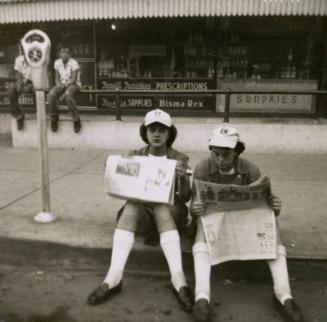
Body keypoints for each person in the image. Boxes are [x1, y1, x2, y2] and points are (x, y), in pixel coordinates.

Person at [190, 125, 303, 322]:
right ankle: (202, 296)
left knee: (273, 225)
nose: (220, 160)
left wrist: (274, 206)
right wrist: (196, 208)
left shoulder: (250, 169)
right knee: (201, 222)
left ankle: (284, 295)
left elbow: (265, 209)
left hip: (242, 225)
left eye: (226, 154)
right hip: (212, 224)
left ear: (236, 151)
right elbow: (193, 208)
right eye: (215, 154)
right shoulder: (202, 168)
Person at [87, 109, 194, 312]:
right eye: (151, 129)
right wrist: (114, 171)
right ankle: (113, 277)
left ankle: (178, 279)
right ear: (144, 133)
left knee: (162, 206)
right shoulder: (135, 156)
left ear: (170, 134)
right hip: (144, 215)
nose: (156, 134)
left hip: (171, 215)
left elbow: (186, 197)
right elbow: (120, 188)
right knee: (132, 204)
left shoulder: (178, 158)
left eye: (162, 130)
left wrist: (182, 178)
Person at [47, 46, 81, 133]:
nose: (65, 54)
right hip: (62, 84)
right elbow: (56, 78)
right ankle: (54, 118)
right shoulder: (57, 63)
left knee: (67, 94)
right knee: (51, 94)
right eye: (63, 52)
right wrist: (59, 85)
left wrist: (64, 85)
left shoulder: (74, 63)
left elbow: (73, 79)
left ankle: (76, 119)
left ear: (69, 54)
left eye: (67, 52)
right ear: (60, 54)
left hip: (74, 85)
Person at [6, 46, 33, 131]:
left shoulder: (35, 60)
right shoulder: (18, 59)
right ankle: (19, 115)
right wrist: (20, 82)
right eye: (24, 51)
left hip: (33, 81)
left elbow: (35, 75)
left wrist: (25, 83)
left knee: (27, 89)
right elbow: (18, 72)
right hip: (22, 81)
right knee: (10, 92)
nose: (26, 52)